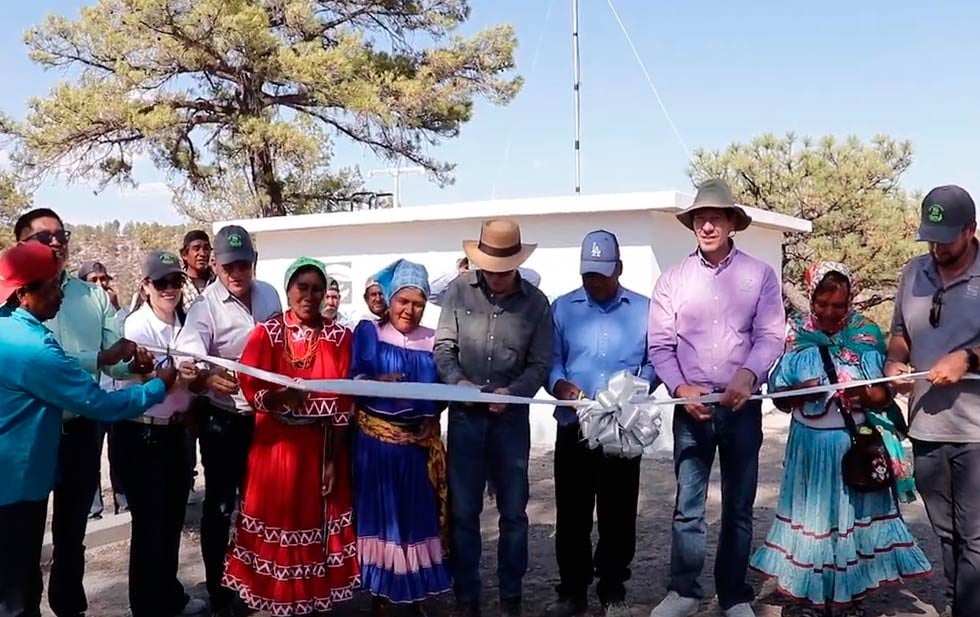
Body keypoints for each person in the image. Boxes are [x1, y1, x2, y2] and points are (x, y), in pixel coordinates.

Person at [0, 241, 177, 617]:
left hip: (17, 479)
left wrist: (119, 363)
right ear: (22, 294)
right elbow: (99, 402)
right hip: (15, 483)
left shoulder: (11, 330)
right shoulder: (29, 348)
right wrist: (159, 384)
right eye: (50, 288)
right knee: (17, 593)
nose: (60, 295)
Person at [749, 262, 931, 617]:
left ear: (851, 301)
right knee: (816, 521)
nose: (830, 312)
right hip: (810, 448)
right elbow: (780, 399)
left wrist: (862, 395)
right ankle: (811, 598)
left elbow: (883, 395)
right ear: (811, 299)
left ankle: (850, 597)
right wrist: (801, 390)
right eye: (822, 303)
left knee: (850, 523)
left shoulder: (865, 334)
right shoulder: (795, 334)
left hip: (854, 446)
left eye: (839, 305)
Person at [647, 179, 785, 617]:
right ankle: (684, 591)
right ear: (692, 224)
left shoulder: (760, 276)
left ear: (731, 224)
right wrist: (679, 386)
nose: (707, 225)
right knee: (688, 505)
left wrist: (748, 375)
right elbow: (660, 345)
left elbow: (770, 335)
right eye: (700, 218)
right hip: (690, 408)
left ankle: (734, 595)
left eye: (716, 217)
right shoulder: (672, 281)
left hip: (741, 406)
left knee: (739, 506)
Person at [220, 257, 360, 616]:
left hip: (321, 449)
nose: (309, 296)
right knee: (279, 523)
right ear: (288, 290)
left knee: (315, 525)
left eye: (317, 288)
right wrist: (281, 397)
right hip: (276, 450)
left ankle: (310, 601)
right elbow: (249, 386)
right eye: (302, 287)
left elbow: (344, 401)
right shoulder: (266, 334)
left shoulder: (340, 337)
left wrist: (331, 461)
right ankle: (280, 599)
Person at [435, 218, 553, 617]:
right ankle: (467, 594)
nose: (496, 276)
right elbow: (443, 349)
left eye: (504, 269)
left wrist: (514, 393)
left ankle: (511, 595)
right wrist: (458, 383)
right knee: (464, 512)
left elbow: (540, 365)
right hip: (466, 419)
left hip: (510, 423)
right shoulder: (456, 292)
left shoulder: (536, 303)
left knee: (514, 513)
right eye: (490, 267)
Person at [547, 230, 655, 617]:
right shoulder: (562, 308)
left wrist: (636, 389)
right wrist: (559, 383)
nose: (593, 281)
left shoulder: (645, 309)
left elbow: (655, 359)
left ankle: (612, 588)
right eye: (588, 273)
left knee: (618, 512)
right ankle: (572, 590)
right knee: (572, 513)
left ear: (619, 269)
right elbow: (552, 360)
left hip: (622, 427)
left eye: (601, 274)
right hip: (573, 425)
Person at [884, 185, 980, 617]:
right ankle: (958, 603)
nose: (937, 247)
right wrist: (894, 364)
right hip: (925, 427)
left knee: (976, 536)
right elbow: (900, 333)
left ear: (972, 231)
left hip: (976, 431)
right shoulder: (913, 273)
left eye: (946, 238)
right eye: (930, 237)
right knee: (946, 533)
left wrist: (968, 356)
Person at [178, 225, 283, 617]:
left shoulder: (270, 295)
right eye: (228, 266)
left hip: (267, 420)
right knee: (220, 505)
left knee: (263, 503)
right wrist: (204, 377)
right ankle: (219, 587)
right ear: (218, 268)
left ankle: (263, 579)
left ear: (253, 263)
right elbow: (186, 356)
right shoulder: (205, 307)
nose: (236, 273)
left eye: (243, 264)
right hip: (224, 419)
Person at [350, 259, 452, 616]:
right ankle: (381, 595)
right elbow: (354, 378)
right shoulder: (369, 332)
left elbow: (440, 390)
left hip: (416, 447)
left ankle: (416, 594)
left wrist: (431, 417)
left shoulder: (433, 340)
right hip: (376, 446)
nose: (409, 310)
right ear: (390, 300)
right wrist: (376, 383)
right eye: (403, 302)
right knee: (381, 518)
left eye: (418, 304)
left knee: (415, 518)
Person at [118, 250, 208, 617]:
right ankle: (146, 605)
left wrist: (194, 380)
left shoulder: (185, 323)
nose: (170, 289)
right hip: (143, 435)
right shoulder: (136, 327)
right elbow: (148, 380)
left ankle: (169, 597)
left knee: (171, 521)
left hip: (176, 434)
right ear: (146, 286)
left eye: (175, 282)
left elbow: (194, 375)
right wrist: (180, 377)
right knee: (148, 526)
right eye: (161, 283)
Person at [77, 260, 129, 519]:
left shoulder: (121, 312)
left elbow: (123, 342)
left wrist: (116, 309)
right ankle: (93, 508)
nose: (100, 284)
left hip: (117, 395)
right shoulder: (80, 316)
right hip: (92, 397)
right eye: (93, 280)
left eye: (103, 278)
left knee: (119, 454)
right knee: (91, 457)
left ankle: (124, 502)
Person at [179, 229, 216, 500]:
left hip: (215, 374)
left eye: (206, 248)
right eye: (196, 248)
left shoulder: (219, 283)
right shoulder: (175, 286)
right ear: (185, 254)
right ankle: (187, 484)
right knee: (186, 434)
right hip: (187, 373)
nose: (202, 253)